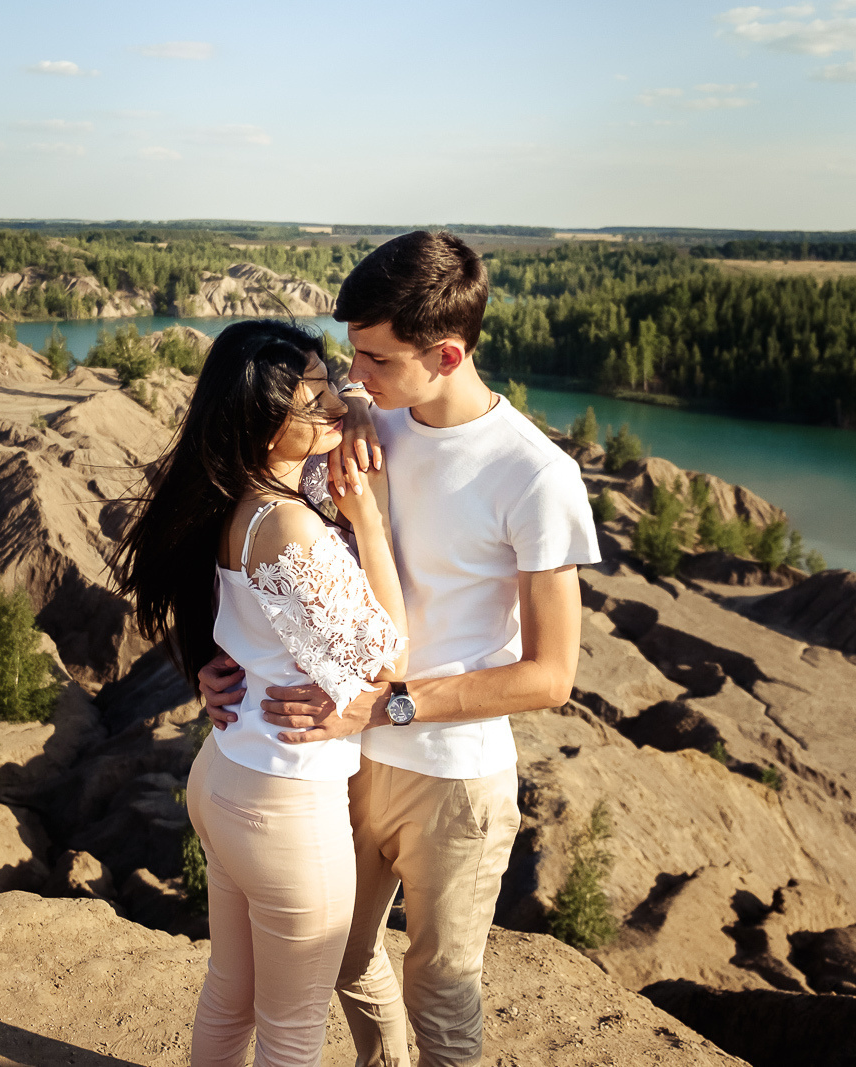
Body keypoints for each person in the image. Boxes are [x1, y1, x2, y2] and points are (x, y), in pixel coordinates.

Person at [199, 231, 600, 1067]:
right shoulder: (354, 420)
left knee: (442, 989)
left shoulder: (537, 477)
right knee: (339, 961)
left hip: (451, 775)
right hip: (342, 757)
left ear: (446, 354)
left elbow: (552, 675)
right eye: (351, 357)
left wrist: (389, 701)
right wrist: (220, 654)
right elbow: (255, 528)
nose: (355, 381)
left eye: (375, 360)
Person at [115, 319, 411, 1067]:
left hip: (223, 780)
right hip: (289, 811)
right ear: (264, 418)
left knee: (230, 992)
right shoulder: (291, 530)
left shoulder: (239, 497)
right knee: (292, 1030)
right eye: (313, 394)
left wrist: (357, 405)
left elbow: (345, 405)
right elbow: (387, 656)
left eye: (325, 378)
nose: (333, 400)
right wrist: (367, 521)